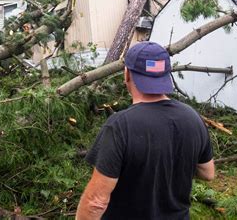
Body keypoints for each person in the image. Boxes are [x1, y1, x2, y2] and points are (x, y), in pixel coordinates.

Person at [76, 41, 214, 220]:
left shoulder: (120, 126)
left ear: (127, 74)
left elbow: (96, 202)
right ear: (166, 75)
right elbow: (207, 173)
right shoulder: (192, 118)